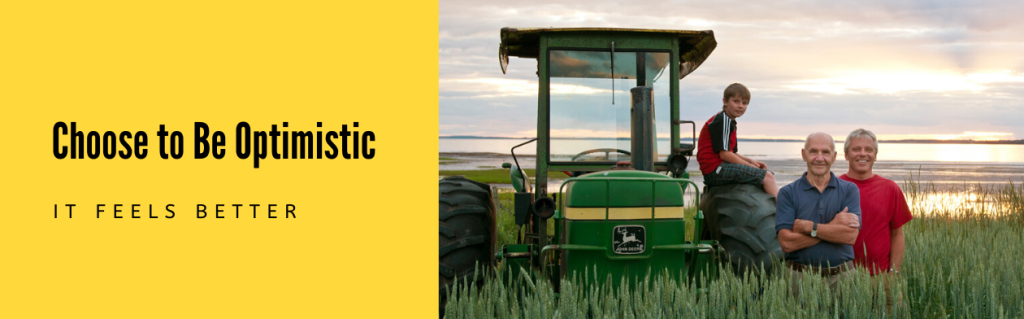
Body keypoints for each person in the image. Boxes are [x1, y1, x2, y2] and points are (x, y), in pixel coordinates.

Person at [775, 132, 861, 296]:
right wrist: (833, 226)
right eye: (813, 151)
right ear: (804, 155)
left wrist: (809, 227)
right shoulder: (787, 193)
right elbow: (787, 243)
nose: (819, 158)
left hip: (842, 278)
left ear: (834, 157)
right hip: (799, 278)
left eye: (826, 152)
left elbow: (850, 236)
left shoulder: (849, 190)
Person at [840, 128, 913, 309]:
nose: (863, 154)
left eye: (868, 150)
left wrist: (893, 272)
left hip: (883, 279)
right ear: (846, 155)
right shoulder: (835, 188)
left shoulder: (890, 189)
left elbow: (897, 234)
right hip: (844, 278)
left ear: (875, 155)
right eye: (856, 149)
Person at [696, 83, 778, 196]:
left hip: (718, 168)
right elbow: (724, 154)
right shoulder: (723, 120)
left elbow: (732, 152)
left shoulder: (730, 122)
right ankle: (783, 207)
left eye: (744, 103)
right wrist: (748, 166)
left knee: (768, 174)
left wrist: (751, 161)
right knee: (767, 177)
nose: (740, 106)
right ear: (725, 101)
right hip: (716, 170)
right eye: (736, 101)